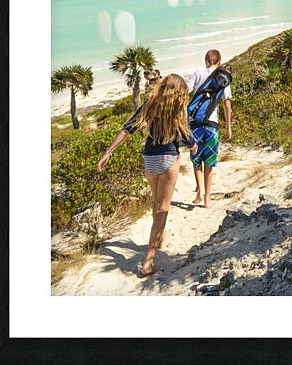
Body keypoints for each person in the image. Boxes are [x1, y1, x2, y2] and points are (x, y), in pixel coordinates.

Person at [97, 73, 196, 277]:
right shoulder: (178, 107)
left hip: (149, 160)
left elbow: (128, 128)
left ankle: (158, 240)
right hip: (169, 159)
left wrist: (108, 152)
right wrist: (193, 145)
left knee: (156, 202)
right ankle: (148, 263)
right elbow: (185, 134)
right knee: (163, 208)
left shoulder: (150, 103)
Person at [185, 49, 232, 208]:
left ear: (206, 61)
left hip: (195, 124)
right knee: (209, 161)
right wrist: (228, 128)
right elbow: (227, 105)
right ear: (219, 62)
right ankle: (207, 199)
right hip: (212, 125)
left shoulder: (197, 73)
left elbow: (184, 91)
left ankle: (199, 193)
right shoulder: (223, 78)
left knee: (196, 159)